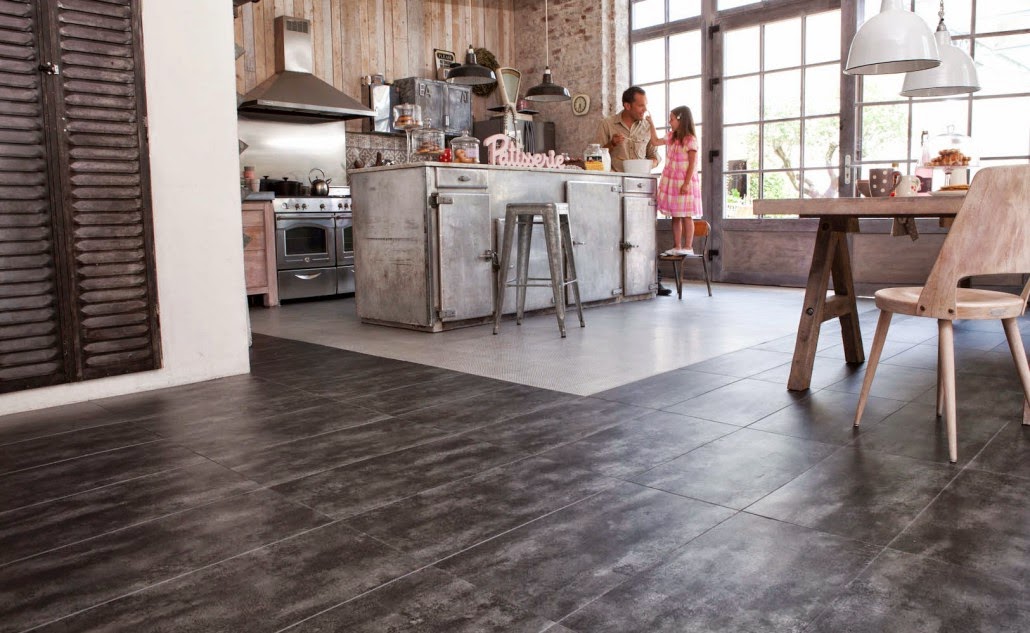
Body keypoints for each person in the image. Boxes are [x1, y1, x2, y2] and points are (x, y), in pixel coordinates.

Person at [650, 105, 701, 256]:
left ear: (681, 120)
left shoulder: (690, 140)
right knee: (676, 215)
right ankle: (677, 246)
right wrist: (651, 123)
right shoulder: (672, 137)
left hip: (685, 181)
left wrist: (686, 183)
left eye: (671, 119)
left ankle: (688, 246)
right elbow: (655, 141)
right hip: (673, 182)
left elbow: (692, 163)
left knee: (686, 215)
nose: (669, 122)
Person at [595, 86, 661, 173]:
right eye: (641, 106)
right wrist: (611, 144)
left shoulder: (647, 127)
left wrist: (646, 165)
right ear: (627, 106)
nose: (645, 109)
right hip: (615, 179)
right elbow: (596, 158)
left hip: (641, 179)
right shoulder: (607, 124)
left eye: (645, 105)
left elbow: (654, 156)